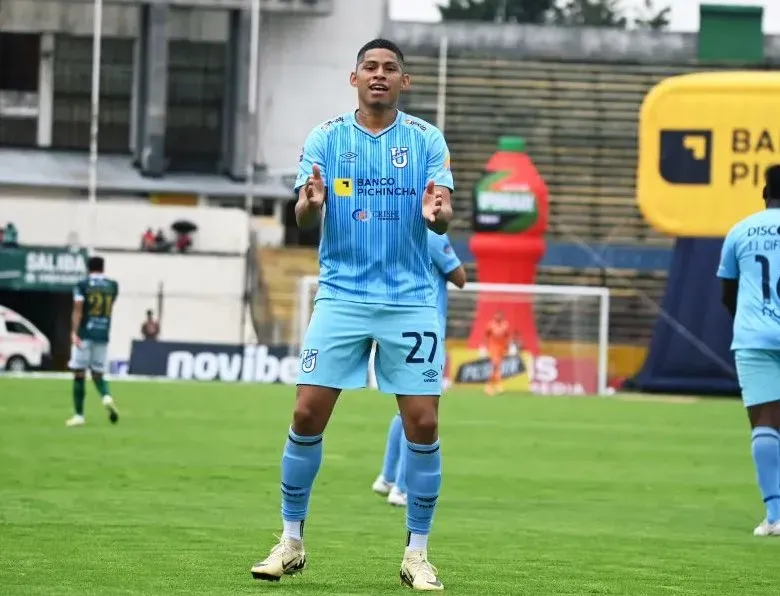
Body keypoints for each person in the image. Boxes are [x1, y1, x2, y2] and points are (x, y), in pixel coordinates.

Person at [250, 38, 454, 591]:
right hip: (341, 296)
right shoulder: (326, 138)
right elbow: (302, 218)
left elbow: (440, 216)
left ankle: (417, 553)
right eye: (371, 67)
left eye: (390, 68)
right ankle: (290, 541)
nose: (380, 75)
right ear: (354, 77)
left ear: (404, 82)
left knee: (424, 422)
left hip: (410, 300)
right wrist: (308, 205)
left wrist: (437, 216)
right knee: (306, 414)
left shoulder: (426, 140)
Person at [373, 229, 466, 508]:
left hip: (397, 324)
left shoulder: (392, 232)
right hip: (427, 328)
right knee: (422, 410)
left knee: (404, 407)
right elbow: (460, 277)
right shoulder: (433, 235)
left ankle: (388, 477)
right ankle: (401, 488)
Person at [717, 167, 780, 537]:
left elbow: (728, 293)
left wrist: (752, 322)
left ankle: (774, 515)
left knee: (766, 423)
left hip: (755, 337)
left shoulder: (741, 230)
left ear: (763, 191)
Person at [65, 256, 120, 427]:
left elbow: (78, 310)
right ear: (103, 268)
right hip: (103, 333)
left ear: (89, 268)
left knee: (79, 373)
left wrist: (74, 332)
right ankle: (106, 397)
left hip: (85, 333)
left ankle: (79, 416)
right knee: (98, 373)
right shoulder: (112, 285)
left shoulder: (83, 285)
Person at [484, 311, 511, 395]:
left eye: (499, 316)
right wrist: (486, 346)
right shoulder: (490, 324)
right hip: (493, 347)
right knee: (496, 365)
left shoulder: (505, 325)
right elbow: (487, 335)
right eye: (496, 316)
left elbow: (507, 336)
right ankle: (496, 385)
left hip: (501, 348)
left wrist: (507, 347)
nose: (497, 317)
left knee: (497, 367)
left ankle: (490, 386)